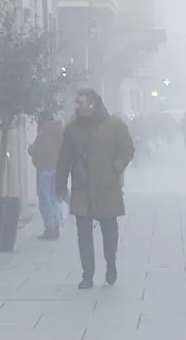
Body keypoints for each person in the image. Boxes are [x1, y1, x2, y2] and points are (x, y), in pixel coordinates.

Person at [55, 89, 135, 289]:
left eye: (80, 103)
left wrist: (116, 166)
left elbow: (127, 149)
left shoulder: (115, 126)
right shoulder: (72, 129)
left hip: (107, 186)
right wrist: (61, 184)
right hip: (82, 187)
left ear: (92, 104)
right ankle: (87, 275)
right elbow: (64, 158)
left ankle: (111, 265)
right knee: (83, 234)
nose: (76, 106)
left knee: (109, 230)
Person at [28, 110, 66, 240]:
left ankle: (50, 228)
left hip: (44, 168)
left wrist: (30, 149)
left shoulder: (43, 132)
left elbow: (34, 149)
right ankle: (57, 225)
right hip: (57, 168)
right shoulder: (60, 130)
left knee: (45, 199)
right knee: (54, 198)